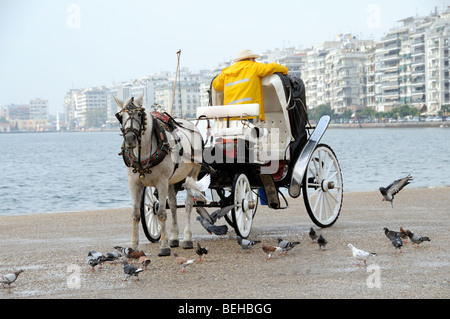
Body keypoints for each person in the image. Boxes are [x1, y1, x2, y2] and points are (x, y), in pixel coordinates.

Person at [212, 49, 288, 121]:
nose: (255, 61)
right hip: (248, 114)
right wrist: (285, 70)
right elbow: (272, 67)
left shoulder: (227, 72)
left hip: (231, 116)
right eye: (254, 59)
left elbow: (216, 85)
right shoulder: (254, 67)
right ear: (250, 59)